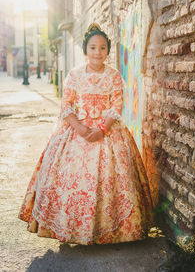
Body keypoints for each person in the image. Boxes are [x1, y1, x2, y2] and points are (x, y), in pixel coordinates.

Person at [18, 23, 153, 245]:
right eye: (93, 48)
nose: (97, 52)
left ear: (107, 50)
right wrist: (80, 128)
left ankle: (112, 231)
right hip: (75, 131)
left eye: (102, 48)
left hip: (108, 131)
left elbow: (117, 105)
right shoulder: (74, 75)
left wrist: (102, 129)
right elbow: (66, 105)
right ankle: (71, 228)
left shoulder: (114, 76)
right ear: (85, 50)